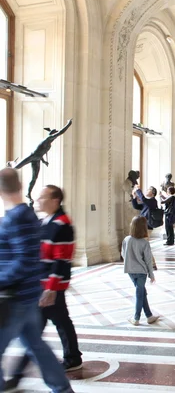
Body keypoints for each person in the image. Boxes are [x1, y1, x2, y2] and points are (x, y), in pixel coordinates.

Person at [0, 168, 74, 393]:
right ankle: (62, 388)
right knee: (36, 345)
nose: (39, 200)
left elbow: (32, 259)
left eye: (44, 197)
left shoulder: (20, 218)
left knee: (52, 332)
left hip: (17, 296)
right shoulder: (31, 217)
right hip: (29, 293)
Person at [121, 216, 160, 326]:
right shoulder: (144, 243)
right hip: (141, 272)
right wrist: (151, 275)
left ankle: (149, 316)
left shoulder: (126, 239)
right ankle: (136, 318)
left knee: (142, 292)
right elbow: (148, 261)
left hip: (130, 270)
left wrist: (130, 262)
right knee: (139, 293)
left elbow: (123, 254)